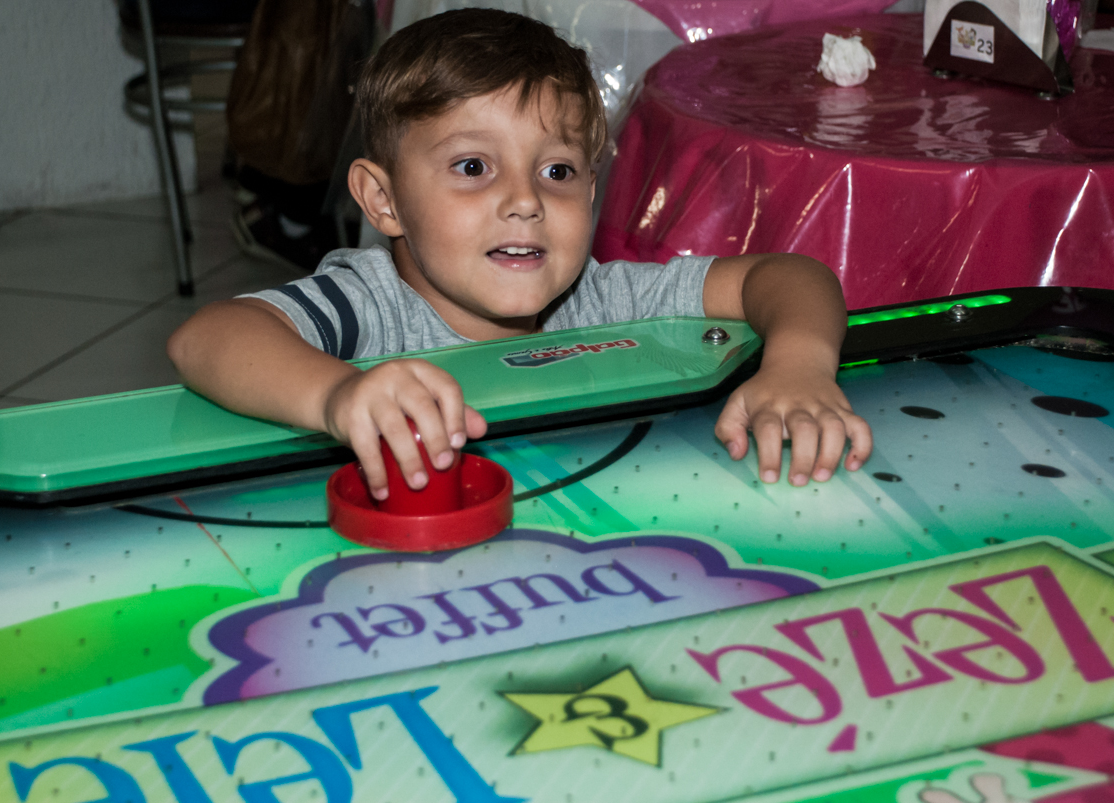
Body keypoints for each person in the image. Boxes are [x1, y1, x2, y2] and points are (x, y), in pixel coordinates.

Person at [168, 7, 872, 502]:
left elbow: (789, 275)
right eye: (473, 167)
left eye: (558, 171)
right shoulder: (369, 303)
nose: (526, 200)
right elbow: (206, 338)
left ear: (593, 191)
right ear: (382, 201)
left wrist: (799, 366)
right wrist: (338, 393)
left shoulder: (599, 301)